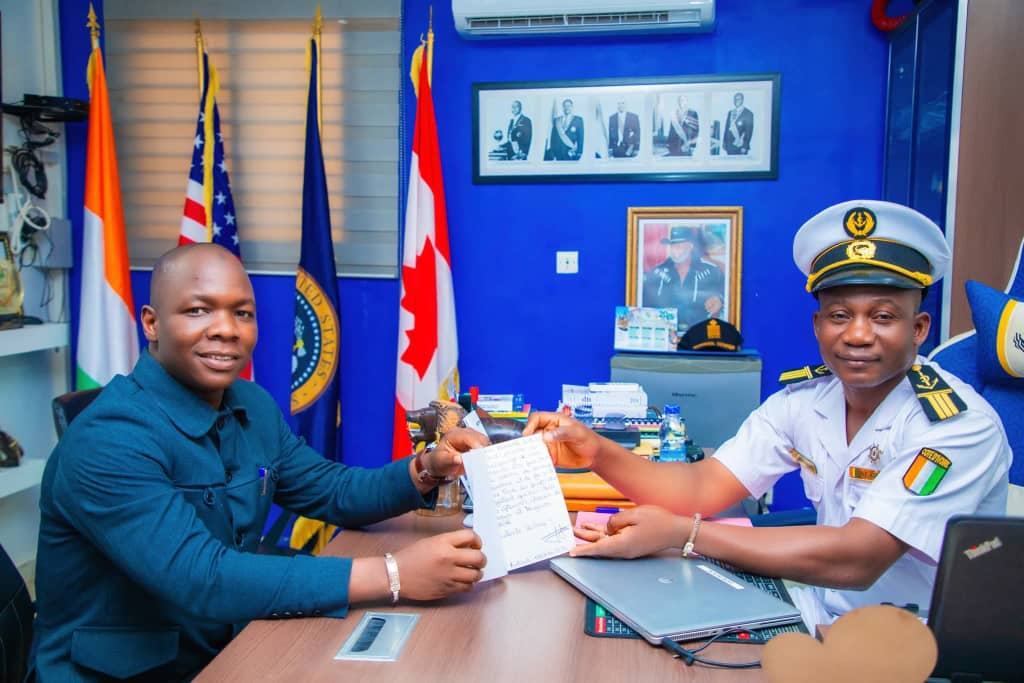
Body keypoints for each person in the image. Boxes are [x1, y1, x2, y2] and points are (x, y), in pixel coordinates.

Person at [523, 200, 1012, 630]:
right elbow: (702, 487)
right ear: (818, 325)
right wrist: (596, 451)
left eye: (883, 316)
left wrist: (684, 535)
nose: (858, 335)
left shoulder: (957, 426)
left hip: (918, 642)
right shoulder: (805, 401)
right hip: (819, 611)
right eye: (840, 315)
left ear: (919, 328)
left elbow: (858, 559)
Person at [31, 243, 490, 681]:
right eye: (198, 310)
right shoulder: (108, 438)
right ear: (151, 323)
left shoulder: (250, 404)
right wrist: (394, 575)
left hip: (227, 645)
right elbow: (202, 577)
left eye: (242, 313)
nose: (226, 329)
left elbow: (332, 490)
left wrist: (429, 466)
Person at [642, 226, 725, 331]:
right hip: (665, 334)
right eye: (672, 246)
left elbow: (726, 295)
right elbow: (644, 303)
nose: (675, 251)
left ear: (690, 246)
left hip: (699, 334)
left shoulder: (711, 272)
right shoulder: (657, 272)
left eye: (679, 246)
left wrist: (719, 300)